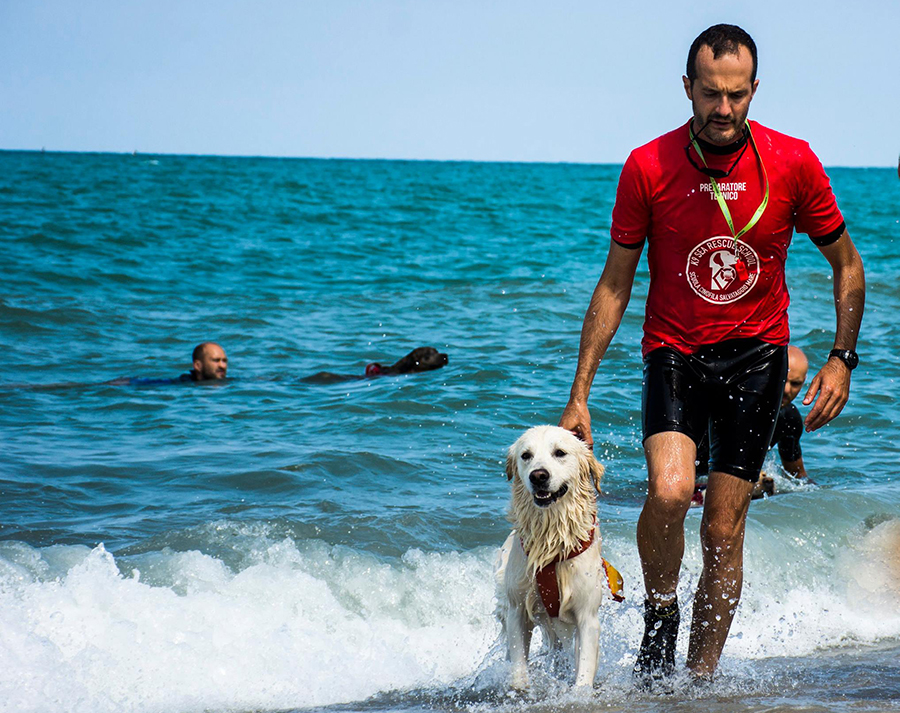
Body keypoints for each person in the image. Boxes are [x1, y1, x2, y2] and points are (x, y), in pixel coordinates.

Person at [559, 24, 865, 681]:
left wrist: (842, 357)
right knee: (669, 493)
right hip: (674, 351)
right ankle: (662, 609)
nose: (722, 109)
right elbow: (615, 283)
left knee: (724, 531)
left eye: (735, 95)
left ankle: (696, 682)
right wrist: (580, 390)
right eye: (708, 94)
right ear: (687, 89)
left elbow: (847, 264)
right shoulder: (649, 165)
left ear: (754, 90)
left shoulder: (793, 162)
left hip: (757, 359)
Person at [693, 344, 811, 504]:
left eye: (795, 384)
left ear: (804, 382)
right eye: (782, 378)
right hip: (695, 482)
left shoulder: (789, 418)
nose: (786, 389)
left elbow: (798, 479)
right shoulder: (730, 403)